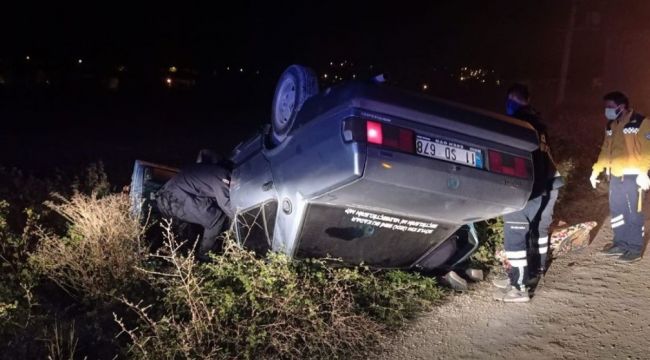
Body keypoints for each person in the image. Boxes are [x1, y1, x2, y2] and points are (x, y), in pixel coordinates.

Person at [493, 83, 563, 303]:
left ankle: (519, 287)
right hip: (549, 182)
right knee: (536, 230)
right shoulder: (537, 123)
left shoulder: (517, 124)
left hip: (529, 188)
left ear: (511, 100)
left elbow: (514, 159)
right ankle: (531, 272)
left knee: (515, 237)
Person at [590, 91, 650, 263]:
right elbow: (604, 150)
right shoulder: (611, 126)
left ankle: (634, 248)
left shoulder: (641, 122)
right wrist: (596, 171)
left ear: (621, 106)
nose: (607, 110)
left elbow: (647, 150)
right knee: (617, 212)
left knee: (634, 213)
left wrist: (643, 173)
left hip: (634, 176)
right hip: (616, 176)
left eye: (610, 106)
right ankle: (620, 243)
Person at [156, 154, 234, 261]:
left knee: (188, 229)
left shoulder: (204, 170)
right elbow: (226, 203)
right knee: (216, 218)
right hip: (175, 199)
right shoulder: (221, 174)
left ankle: (185, 255)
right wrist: (242, 219)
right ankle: (205, 257)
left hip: (167, 198)